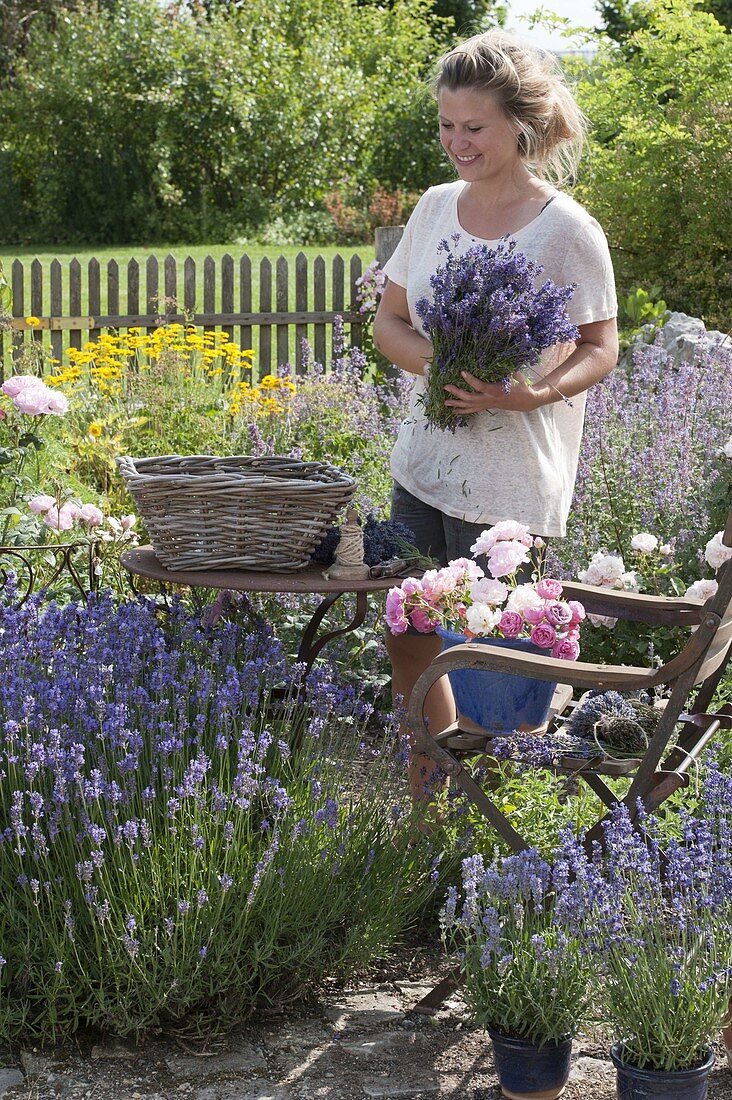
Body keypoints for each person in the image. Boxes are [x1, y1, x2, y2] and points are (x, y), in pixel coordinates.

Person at [372, 29, 618, 805]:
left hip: (510, 489)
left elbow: (600, 347)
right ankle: (428, 804)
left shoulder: (567, 230)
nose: (456, 143)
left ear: (520, 125)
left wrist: (527, 393)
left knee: (498, 663)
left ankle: (510, 830)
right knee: (408, 637)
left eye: (472, 127)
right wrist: (443, 368)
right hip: (424, 468)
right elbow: (389, 323)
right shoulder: (435, 208)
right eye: (446, 126)